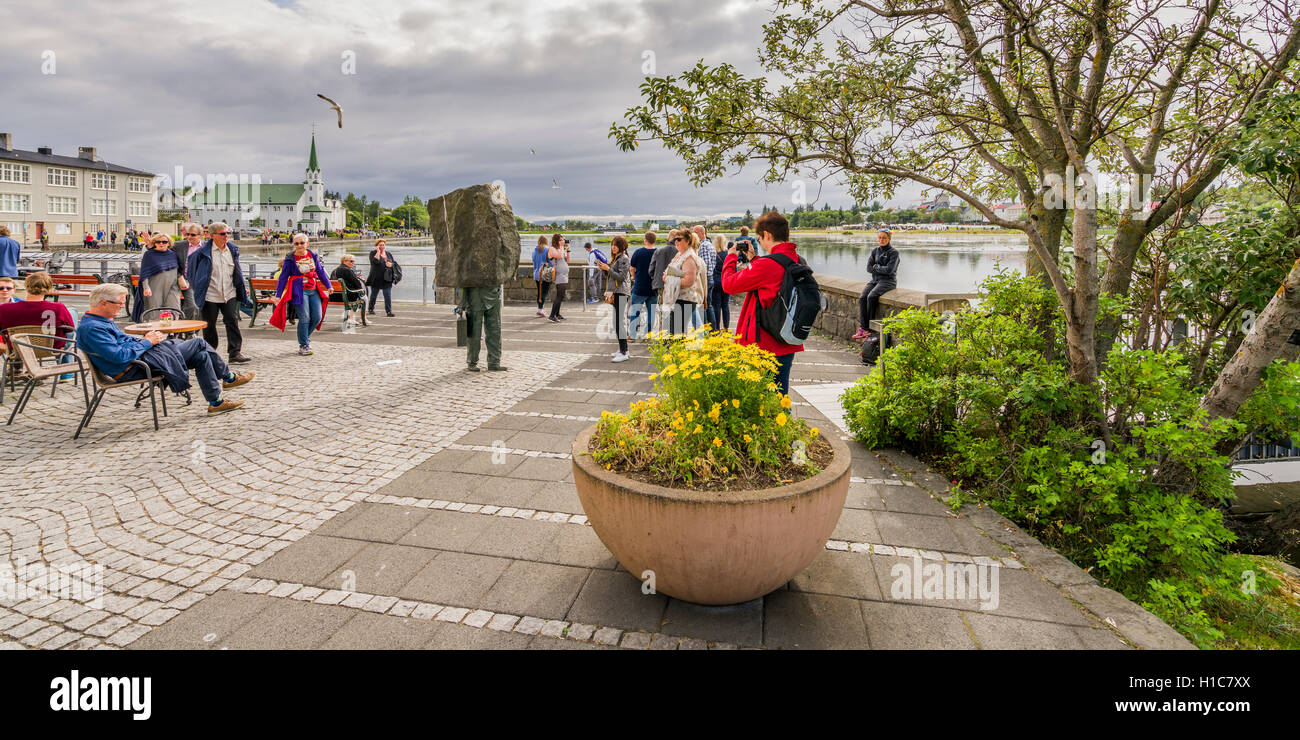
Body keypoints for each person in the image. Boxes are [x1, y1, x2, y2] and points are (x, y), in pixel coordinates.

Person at [77, 283, 254, 415]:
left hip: (139, 362)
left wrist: (146, 341)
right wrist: (146, 342)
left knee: (200, 356)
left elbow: (123, 345)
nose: (122, 307)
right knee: (198, 343)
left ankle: (216, 402)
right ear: (103, 303)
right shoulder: (93, 328)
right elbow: (119, 356)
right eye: (119, 303)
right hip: (134, 369)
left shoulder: (100, 322)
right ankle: (229, 378)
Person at [721, 210, 803, 396]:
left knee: (757, 398)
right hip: (787, 338)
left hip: (762, 344)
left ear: (767, 235)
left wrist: (731, 257)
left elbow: (729, 285)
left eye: (759, 238)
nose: (760, 242)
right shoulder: (797, 260)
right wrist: (754, 259)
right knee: (780, 394)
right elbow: (772, 282)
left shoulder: (767, 265)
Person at [187, 221, 251, 364]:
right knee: (209, 325)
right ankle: (210, 353)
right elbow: (191, 274)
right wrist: (198, 288)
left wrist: (240, 285)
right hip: (210, 294)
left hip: (229, 293)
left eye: (228, 233)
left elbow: (236, 271)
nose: (226, 236)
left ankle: (235, 353)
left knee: (232, 321)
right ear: (212, 235)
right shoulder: (201, 253)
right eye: (223, 233)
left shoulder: (233, 250)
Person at [271, 233, 332, 355]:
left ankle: (305, 337)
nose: (299, 246)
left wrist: (328, 285)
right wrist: (278, 295)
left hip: (313, 289)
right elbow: (283, 277)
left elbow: (320, 271)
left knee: (317, 317)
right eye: (296, 243)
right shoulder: (290, 258)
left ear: (307, 244)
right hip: (299, 290)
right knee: (305, 318)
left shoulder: (312, 255)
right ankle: (303, 345)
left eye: (302, 243)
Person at [0, 272, 75, 351]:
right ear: (48, 289)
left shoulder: (5, 308)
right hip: (51, 348)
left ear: (26, 287)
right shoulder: (59, 307)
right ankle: (65, 361)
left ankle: (16, 362)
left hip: (18, 347)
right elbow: (69, 330)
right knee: (72, 312)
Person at [854, 229, 899, 341]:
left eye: (884, 238)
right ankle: (863, 328)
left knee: (872, 296)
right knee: (863, 297)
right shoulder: (875, 251)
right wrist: (877, 269)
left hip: (888, 281)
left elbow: (889, 270)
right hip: (875, 280)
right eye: (879, 238)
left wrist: (876, 267)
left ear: (889, 239)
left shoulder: (893, 253)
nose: (881, 240)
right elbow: (869, 268)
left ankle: (870, 328)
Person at [131, 234, 188, 322]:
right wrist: (146, 287)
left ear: (169, 243)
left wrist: (183, 282)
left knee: (175, 309)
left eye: (164, 242)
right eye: (158, 242)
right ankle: (155, 332)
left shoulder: (173, 254)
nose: (161, 244)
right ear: (155, 243)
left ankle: (172, 333)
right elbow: (144, 272)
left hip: (172, 286)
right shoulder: (149, 254)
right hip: (155, 286)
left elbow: (178, 270)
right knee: (154, 311)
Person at [661, 230, 706, 336]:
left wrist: (669, 278)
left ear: (688, 241)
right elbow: (668, 272)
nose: (676, 242)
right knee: (672, 333)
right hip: (677, 298)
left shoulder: (689, 257)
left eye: (679, 239)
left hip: (684, 300)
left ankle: (678, 352)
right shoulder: (680, 254)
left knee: (676, 334)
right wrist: (670, 276)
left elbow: (689, 281)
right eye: (675, 239)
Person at [596, 235, 632, 362]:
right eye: (612, 245)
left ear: (621, 246)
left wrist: (608, 269)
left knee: (619, 322)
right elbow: (611, 275)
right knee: (616, 322)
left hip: (621, 292)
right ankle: (623, 349)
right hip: (617, 292)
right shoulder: (617, 258)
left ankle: (624, 352)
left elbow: (621, 277)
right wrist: (604, 269)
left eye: (616, 245)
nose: (613, 247)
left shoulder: (624, 259)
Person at [461, 282, 507, 372]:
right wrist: (461, 302)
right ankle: (472, 362)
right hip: (475, 296)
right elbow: (462, 277)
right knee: (474, 332)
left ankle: (494, 362)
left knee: (495, 330)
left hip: (493, 294)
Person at [628, 231, 658, 339]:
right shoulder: (658, 253)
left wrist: (633, 276)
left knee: (635, 312)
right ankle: (648, 335)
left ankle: (632, 335)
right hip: (653, 288)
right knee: (652, 313)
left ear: (645, 240)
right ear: (654, 240)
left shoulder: (638, 252)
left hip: (640, 287)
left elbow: (632, 268)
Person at [649, 229, 677, 334]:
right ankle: (673, 334)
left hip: (660, 285)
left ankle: (663, 335)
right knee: (674, 311)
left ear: (668, 237)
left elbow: (651, 269)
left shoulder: (659, 251)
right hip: (675, 286)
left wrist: (655, 278)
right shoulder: (680, 252)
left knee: (662, 311)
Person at [330, 254, 366, 332]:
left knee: (357, 294)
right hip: (346, 296)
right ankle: (360, 319)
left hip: (335, 296)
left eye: (353, 261)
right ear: (344, 261)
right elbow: (357, 284)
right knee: (363, 296)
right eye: (351, 261)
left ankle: (350, 317)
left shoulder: (335, 270)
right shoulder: (348, 270)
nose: (353, 263)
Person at [692, 225, 716, 329]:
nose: (693, 235)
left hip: (705, 279)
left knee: (703, 305)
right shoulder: (709, 244)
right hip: (709, 278)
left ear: (702, 233)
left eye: (696, 232)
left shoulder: (703, 246)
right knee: (708, 305)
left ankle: (706, 329)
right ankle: (711, 330)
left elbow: (704, 265)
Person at [366, 238, 397, 317]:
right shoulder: (373, 253)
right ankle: (371, 309)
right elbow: (374, 262)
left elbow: (393, 263)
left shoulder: (388, 254)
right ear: (377, 246)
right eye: (380, 245)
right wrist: (378, 252)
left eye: (383, 245)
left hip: (387, 278)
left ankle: (389, 311)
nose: (382, 246)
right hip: (376, 278)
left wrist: (391, 265)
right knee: (374, 295)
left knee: (387, 296)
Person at [709, 236, 731, 331]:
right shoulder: (728, 254)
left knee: (716, 306)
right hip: (727, 282)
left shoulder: (714, 254)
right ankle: (726, 327)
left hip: (716, 281)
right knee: (725, 305)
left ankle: (717, 328)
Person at [546, 233, 570, 323]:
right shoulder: (552, 249)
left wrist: (567, 250)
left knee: (561, 295)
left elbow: (567, 260)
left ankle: (557, 314)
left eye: (563, 239)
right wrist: (561, 247)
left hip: (564, 274)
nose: (563, 241)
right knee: (559, 296)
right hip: (559, 275)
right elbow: (559, 256)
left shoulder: (561, 249)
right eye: (560, 240)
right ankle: (552, 315)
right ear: (556, 241)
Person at [531, 236, 551, 317]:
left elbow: (534, 263)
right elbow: (550, 262)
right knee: (544, 292)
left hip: (536, 274)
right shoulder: (548, 250)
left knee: (540, 292)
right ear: (546, 241)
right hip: (545, 273)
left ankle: (540, 309)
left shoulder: (534, 251)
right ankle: (540, 310)